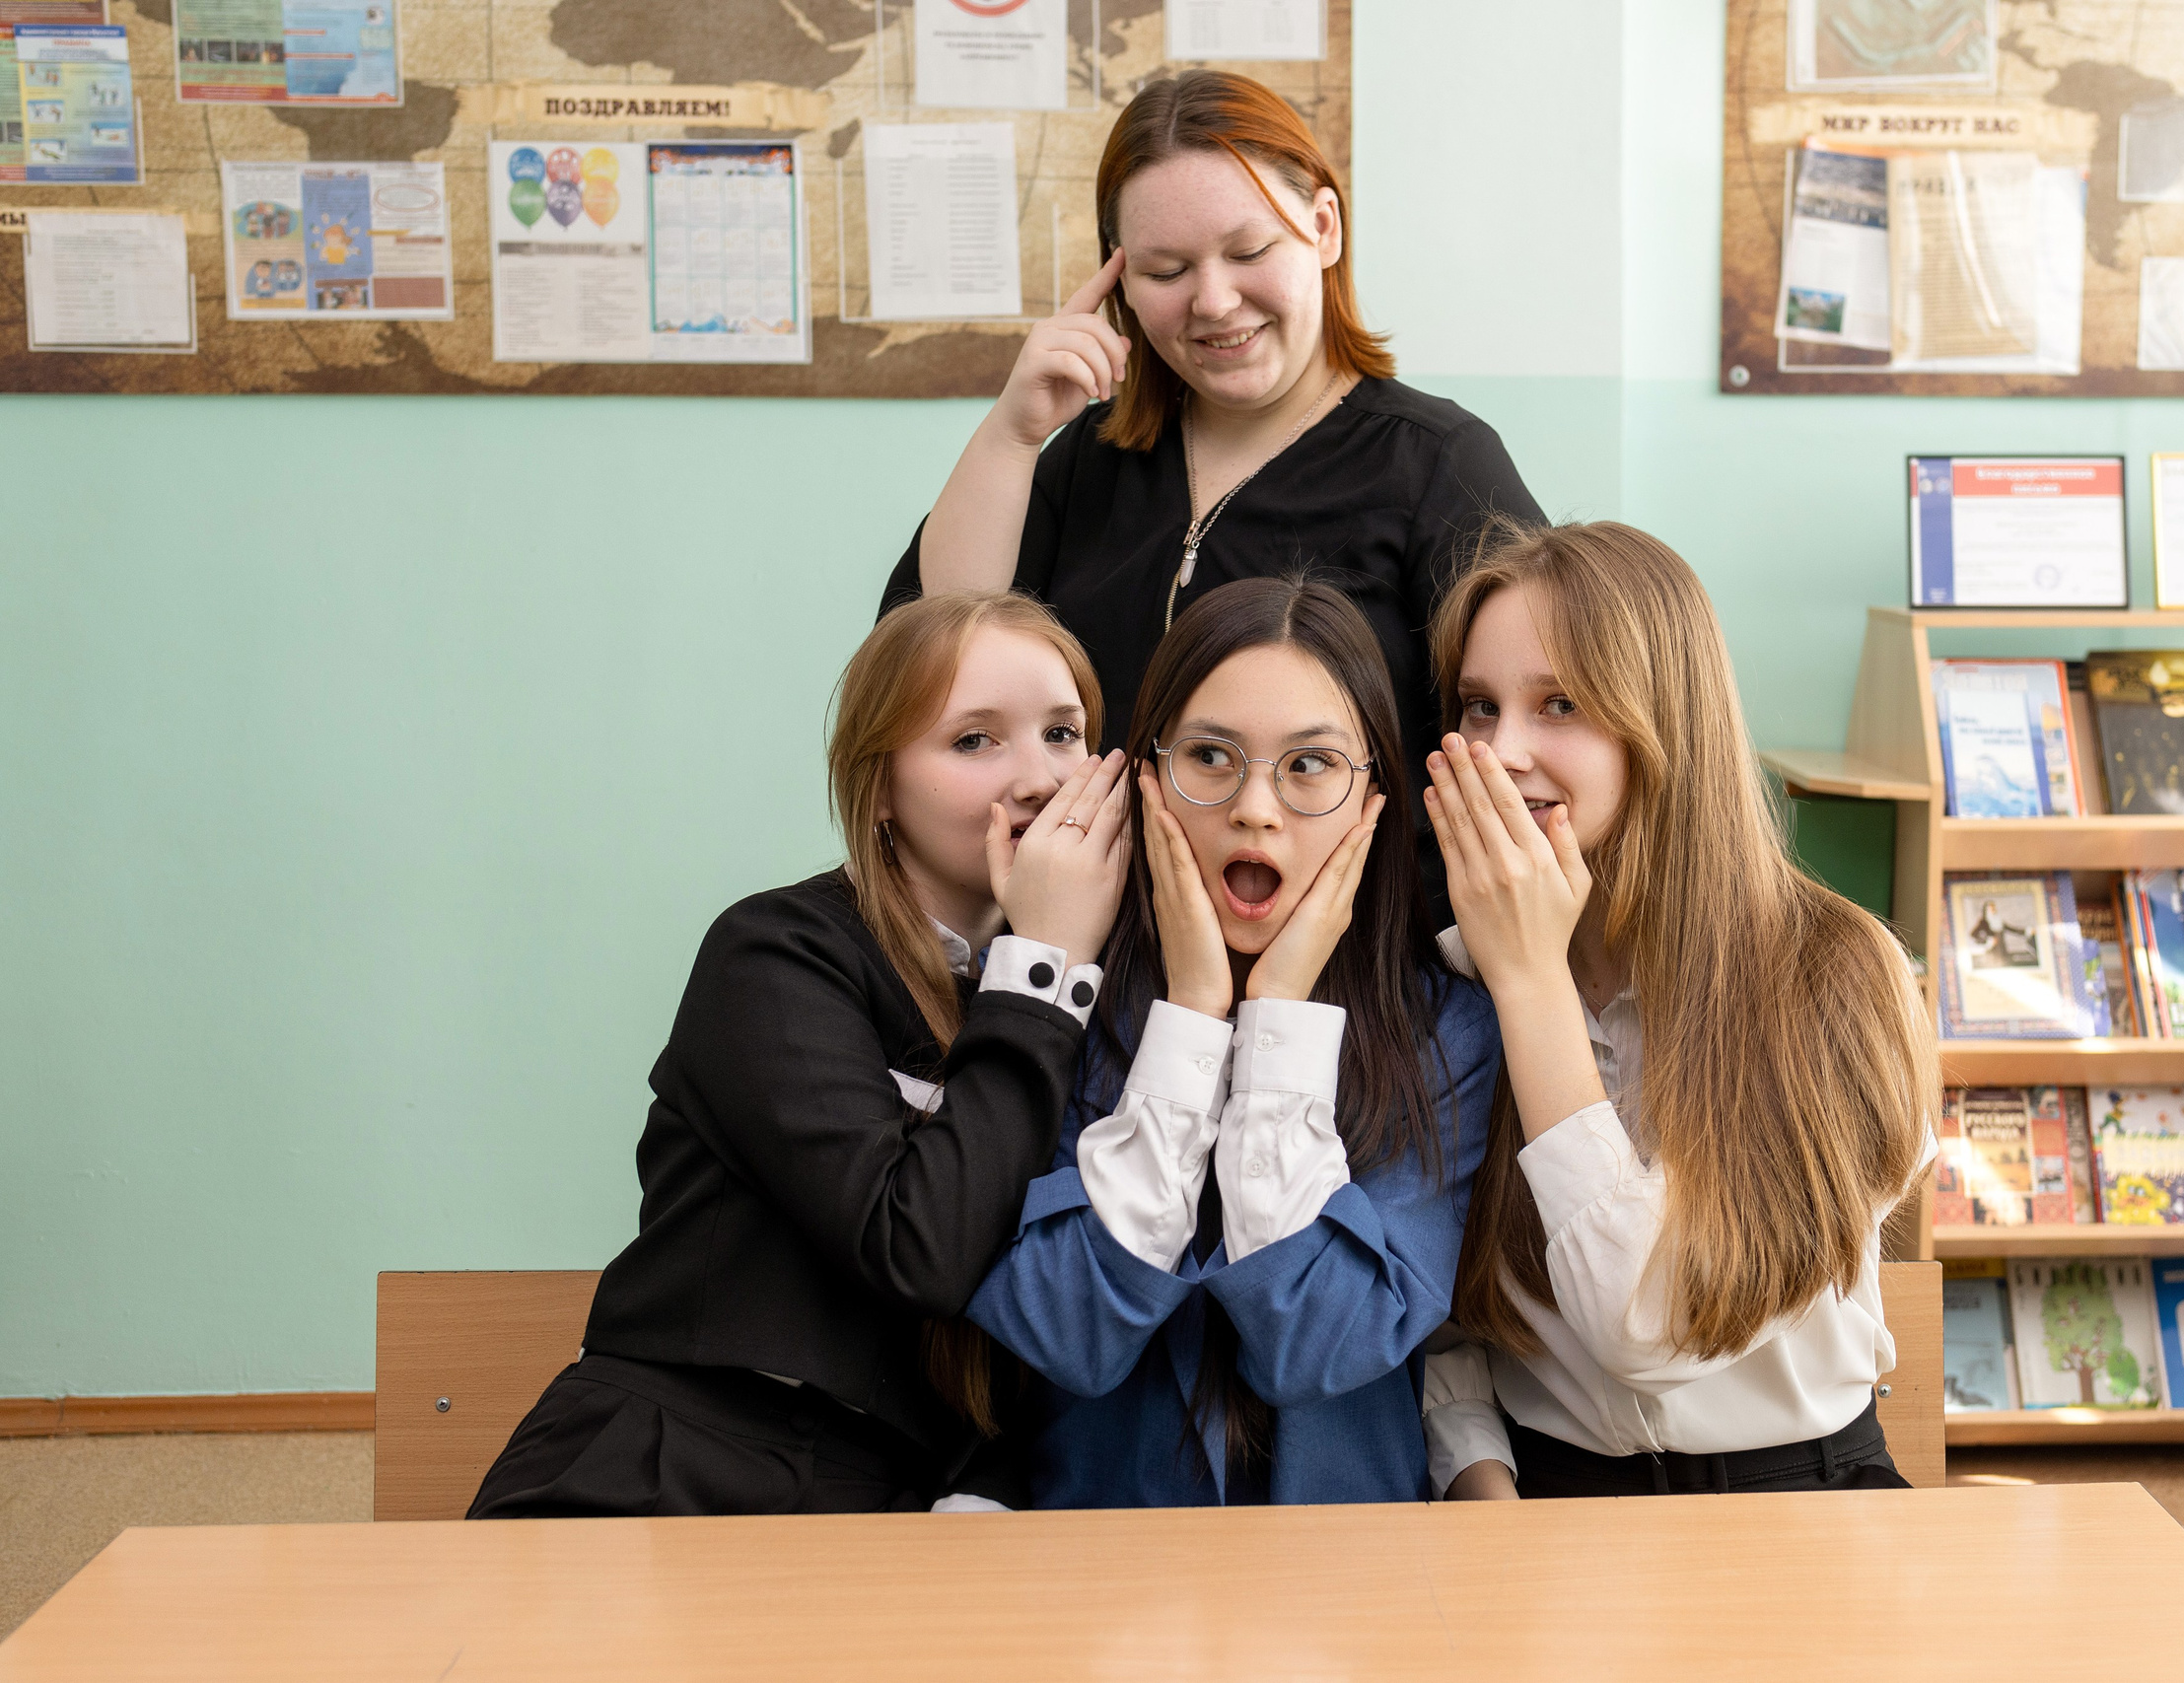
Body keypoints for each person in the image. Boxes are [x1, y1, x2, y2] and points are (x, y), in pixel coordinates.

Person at [469, 593, 1133, 1517]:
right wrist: (1041, 966)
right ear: (881, 787)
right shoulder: (775, 953)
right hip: (667, 1474)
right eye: (975, 740)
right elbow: (920, 1247)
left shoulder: (1091, 1001)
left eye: (1064, 733)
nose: (1040, 779)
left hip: (898, 1505)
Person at [886, 70, 1542, 905]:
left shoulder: (1437, 464)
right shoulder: (1092, 454)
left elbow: (1538, 733)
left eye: (1249, 251)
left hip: (1356, 981)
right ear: (1118, 281)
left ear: (1324, 226)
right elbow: (931, 664)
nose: (1215, 301)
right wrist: (1013, 435)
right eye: (1166, 269)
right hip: (1097, 962)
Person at [1414, 523, 1937, 1501]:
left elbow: (1647, 1327)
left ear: (1661, 721)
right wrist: (1477, 1473)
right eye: (1478, 708)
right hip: (1547, 1502)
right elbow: (1444, 1310)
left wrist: (1531, 988)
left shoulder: (1833, 975)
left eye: (1558, 703)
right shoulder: (1450, 979)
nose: (1499, 752)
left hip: (1800, 1499)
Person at [962, 577, 1500, 1505]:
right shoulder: (1053, 1008)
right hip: (1096, 1589)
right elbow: (1067, 1331)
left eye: (1310, 765)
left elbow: (1321, 1341)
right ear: (1146, 775)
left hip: (1349, 1600)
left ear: (1375, 795)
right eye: (1211, 756)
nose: (1256, 808)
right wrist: (1194, 1018)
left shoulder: (1450, 1030)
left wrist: (1280, 1012)